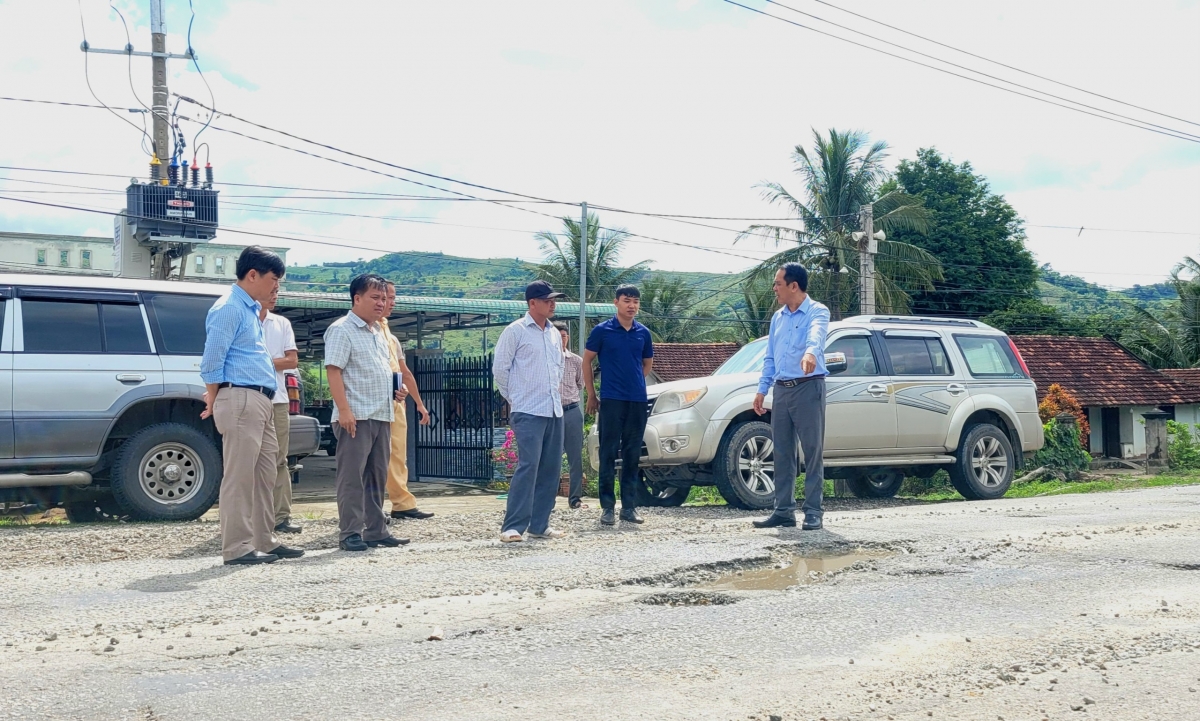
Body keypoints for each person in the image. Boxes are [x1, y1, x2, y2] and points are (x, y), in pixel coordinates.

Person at [199, 246, 304, 566]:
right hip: (240, 397)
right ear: (253, 275)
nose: (277, 286)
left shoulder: (249, 310)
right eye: (274, 279)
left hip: (260, 399)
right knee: (240, 476)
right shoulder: (229, 308)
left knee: (265, 473)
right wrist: (214, 396)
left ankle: (263, 540)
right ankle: (238, 547)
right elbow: (212, 360)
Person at [324, 273, 410, 552]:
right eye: (375, 297)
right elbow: (333, 371)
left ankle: (376, 530)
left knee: (376, 477)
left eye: (384, 298)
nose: (381, 303)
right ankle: (350, 532)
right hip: (355, 417)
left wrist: (396, 391)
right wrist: (344, 411)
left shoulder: (377, 334)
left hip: (382, 414)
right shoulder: (342, 329)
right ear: (356, 298)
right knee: (352, 478)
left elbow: (381, 372)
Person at [752, 262, 830, 531]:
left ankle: (813, 511)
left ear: (793, 286)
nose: (774, 288)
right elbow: (771, 357)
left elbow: (816, 335)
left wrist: (811, 353)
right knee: (783, 452)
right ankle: (783, 510)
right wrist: (763, 389)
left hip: (809, 387)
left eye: (778, 284)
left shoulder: (817, 311)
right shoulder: (778, 317)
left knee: (812, 451)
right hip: (781, 390)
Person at [492, 280, 568, 543]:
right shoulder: (515, 331)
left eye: (553, 300)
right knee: (528, 466)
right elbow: (500, 369)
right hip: (528, 410)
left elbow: (558, 367)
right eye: (547, 300)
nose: (552, 304)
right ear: (532, 303)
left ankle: (540, 523)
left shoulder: (554, 334)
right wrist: (515, 398)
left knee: (550, 469)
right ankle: (513, 526)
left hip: (553, 409)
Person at [584, 284, 653, 526]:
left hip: (637, 400)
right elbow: (587, 361)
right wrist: (592, 394)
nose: (632, 305)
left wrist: (633, 383)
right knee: (608, 452)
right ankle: (607, 508)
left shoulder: (643, 333)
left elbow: (646, 364)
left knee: (633, 454)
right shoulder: (603, 331)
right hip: (611, 400)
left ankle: (629, 507)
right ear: (616, 302)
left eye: (635, 301)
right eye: (627, 300)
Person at [378, 280, 432, 521]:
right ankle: (373, 507)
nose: (390, 303)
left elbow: (405, 371)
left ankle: (402, 503)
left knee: (398, 453)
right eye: (386, 297)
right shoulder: (366, 329)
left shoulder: (391, 336)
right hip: (372, 403)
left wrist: (419, 403)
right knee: (375, 456)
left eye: (392, 298)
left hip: (396, 401)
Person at [258, 290, 302, 535]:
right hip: (251, 397)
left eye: (276, 291)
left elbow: (292, 361)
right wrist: (276, 361)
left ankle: (281, 516)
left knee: (280, 459)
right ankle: (252, 517)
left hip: (278, 399)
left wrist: (258, 361)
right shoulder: (243, 320)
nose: (273, 295)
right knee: (250, 461)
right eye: (270, 290)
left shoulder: (282, 323)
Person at [555, 321, 587, 509]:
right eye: (558, 336)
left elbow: (580, 384)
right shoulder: (546, 359)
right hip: (552, 412)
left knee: (575, 457)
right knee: (551, 458)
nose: (562, 339)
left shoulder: (576, 360)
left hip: (572, 410)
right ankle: (548, 499)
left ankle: (575, 499)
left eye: (564, 336)